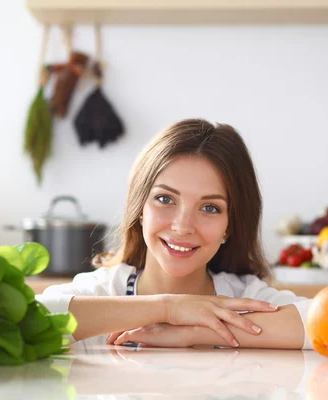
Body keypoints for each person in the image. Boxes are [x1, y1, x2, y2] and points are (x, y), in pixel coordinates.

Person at [36, 118, 312, 350]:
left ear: (231, 225)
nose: (182, 226)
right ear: (140, 208)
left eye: (210, 207)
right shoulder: (101, 292)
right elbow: (31, 317)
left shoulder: (244, 298)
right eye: (165, 199)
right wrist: (169, 308)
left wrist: (197, 331)